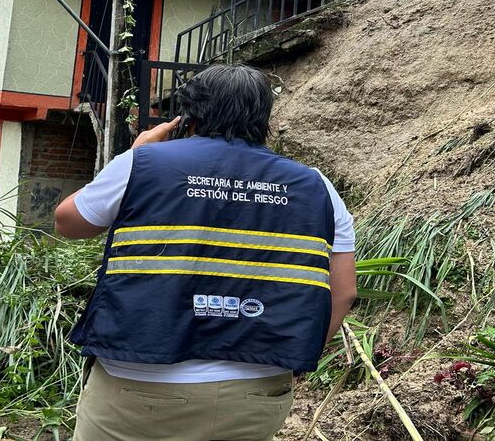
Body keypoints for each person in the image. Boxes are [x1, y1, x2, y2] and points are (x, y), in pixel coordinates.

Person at [54, 64, 357, 441]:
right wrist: (293, 360)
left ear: (188, 116)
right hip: (257, 392)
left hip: (138, 388)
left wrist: (136, 154)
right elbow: (343, 292)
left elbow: (68, 222)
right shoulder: (317, 186)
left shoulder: (144, 163)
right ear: (263, 118)